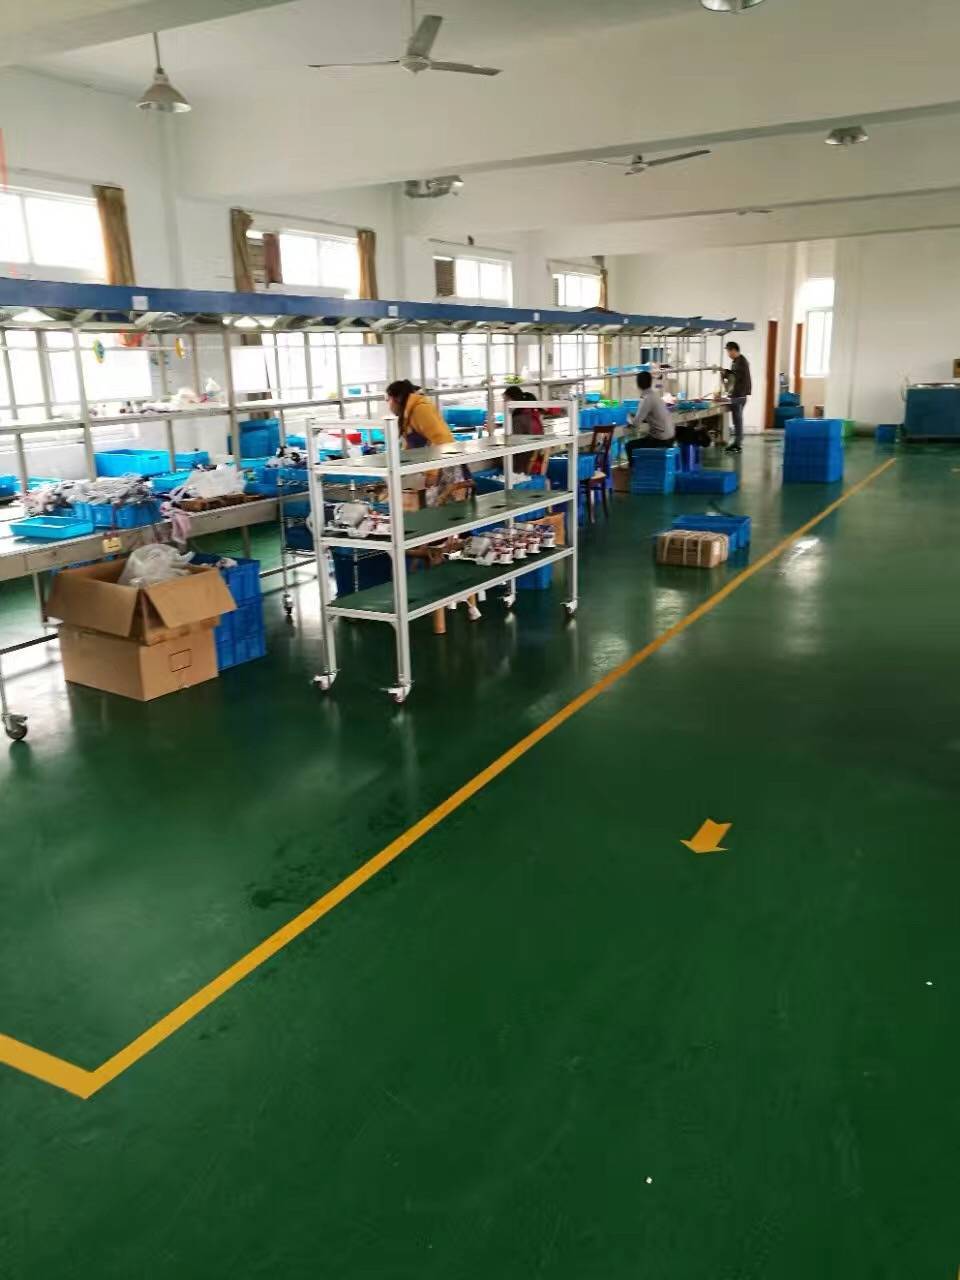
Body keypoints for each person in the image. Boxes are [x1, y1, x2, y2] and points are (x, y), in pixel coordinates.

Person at [385, 379, 454, 447]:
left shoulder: (421, 409)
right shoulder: (408, 414)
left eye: (388, 400)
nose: (388, 406)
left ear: (398, 398)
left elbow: (443, 440)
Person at [625, 371, 674, 464]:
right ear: (650, 382)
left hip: (661, 439)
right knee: (646, 438)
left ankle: (637, 470)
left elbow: (635, 424)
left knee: (629, 446)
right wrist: (637, 416)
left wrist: (627, 417)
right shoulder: (655, 396)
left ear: (638, 384)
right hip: (670, 436)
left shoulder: (646, 399)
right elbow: (650, 415)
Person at [504, 385, 545, 475]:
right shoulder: (532, 413)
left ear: (512, 400)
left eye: (505, 400)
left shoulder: (518, 419)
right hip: (536, 459)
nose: (504, 404)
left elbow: (513, 443)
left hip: (523, 465)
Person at [724, 341, 752, 455]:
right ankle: (737, 442)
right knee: (737, 420)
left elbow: (735, 376)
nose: (728, 354)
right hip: (738, 395)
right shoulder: (737, 361)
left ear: (733, 350)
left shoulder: (741, 362)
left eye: (728, 351)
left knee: (738, 420)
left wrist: (725, 373)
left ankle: (737, 444)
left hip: (739, 395)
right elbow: (733, 375)